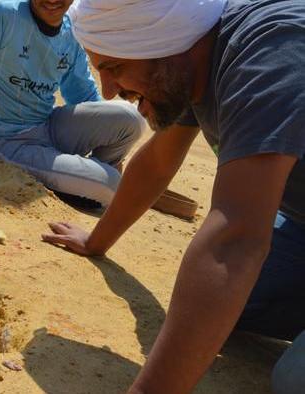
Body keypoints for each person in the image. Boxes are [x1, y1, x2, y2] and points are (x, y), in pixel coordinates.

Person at [42, 0, 305, 392]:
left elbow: (236, 239)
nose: (109, 91)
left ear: (161, 43)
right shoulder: (191, 61)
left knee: (292, 378)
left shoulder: (271, 52)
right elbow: (156, 164)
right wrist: (96, 241)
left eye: (114, 68)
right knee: (222, 310)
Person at [0, 0, 144, 207]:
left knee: (130, 119)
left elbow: (85, 97)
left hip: (49, 127)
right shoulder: (1, 15)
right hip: (6, 142)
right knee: (113, 184)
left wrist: (103, 130)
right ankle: (89, 184)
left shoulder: (71, 31)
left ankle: (84, 183)